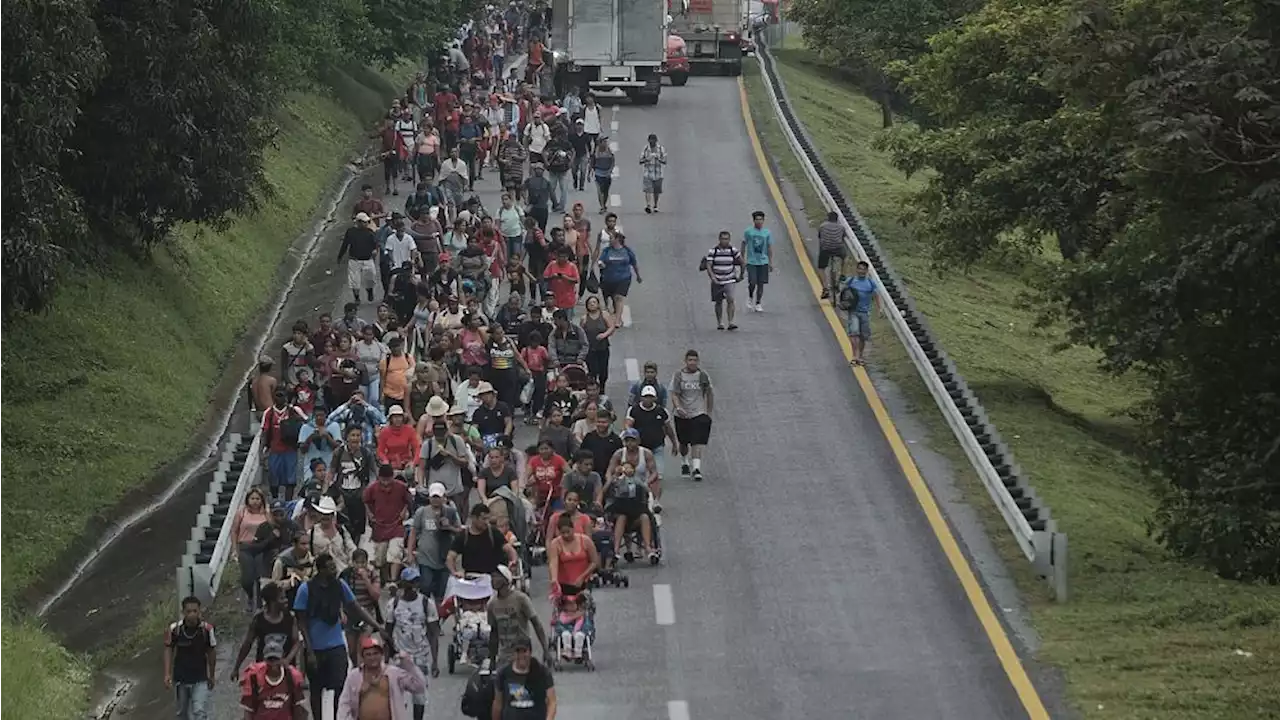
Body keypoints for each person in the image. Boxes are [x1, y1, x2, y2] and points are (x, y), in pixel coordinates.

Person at [294, 553, 386, 720]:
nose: (335, 570)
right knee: (316, 690)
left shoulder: (339, 585)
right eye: (330, 568)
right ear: (321, 570)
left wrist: (377, 625)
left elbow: (356, 608)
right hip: (315, 648)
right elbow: (301, 621)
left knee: (340, 689)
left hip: (336, 646)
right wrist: (309, 650)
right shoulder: (306, 589)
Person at [388, 567, 442, 718]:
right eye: (409, 582)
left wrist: (435, 661)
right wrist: (385, 660)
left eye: (415, 581)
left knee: (419, 697)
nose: (413, 585)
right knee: (399, 697)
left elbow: (433, 634)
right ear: (403, 584)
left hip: (421, 657)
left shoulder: (427, 603)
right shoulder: (394, 604)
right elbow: (387, 632)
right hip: (400, 656)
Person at [335, 636, 427, 720]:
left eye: (375, 653)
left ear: (381, 654)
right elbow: (344, 704)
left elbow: (420, 687)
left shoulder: (394, 673)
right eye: (368, 654)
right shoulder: (354, 676)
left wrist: (408, 664)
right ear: (362, 657)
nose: (372, 657)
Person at [408, 482, 464, 602]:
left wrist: (449, 527)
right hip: (425, 558)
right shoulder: (421, 512)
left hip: (444, 558)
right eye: (433, 497)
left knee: (441, 590)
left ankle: (438, 616)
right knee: (426, 586)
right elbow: (414, 532)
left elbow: (460, 531)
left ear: (444, 497)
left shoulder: (451, 512)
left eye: (438, 497)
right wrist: (410, 553)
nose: (435, 500)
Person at [624, 384, 677, 509]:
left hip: (656, 447)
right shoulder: (634, 410)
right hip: (640, 448)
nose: (648, 399)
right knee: (636, 474)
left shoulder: (661, 411)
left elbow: (668, 428)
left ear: (654, 398)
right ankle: (638, 498)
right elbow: (628, 425)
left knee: (657, 475)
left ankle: (656, 501)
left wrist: (674, 443)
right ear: (641, 398)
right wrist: (630, 438)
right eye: (645, 397)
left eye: (650, 397)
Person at [164, 596, 217, 720]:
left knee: (199, 711)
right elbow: (168, 649)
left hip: (200, 678)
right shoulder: (175, 629)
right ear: (183, 612)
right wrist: (167, 674)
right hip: (181, 679)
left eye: (195, 611)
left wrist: (212, 675)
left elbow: (211, 652)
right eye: (188, 611)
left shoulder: (207, 630)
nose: (192, 615)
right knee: (182, 713)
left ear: (200, 611)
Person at [486, 566, 551, 667]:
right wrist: (492, 659)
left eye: (496, 577)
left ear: (506, 579)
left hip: (522, 652)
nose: (493, 580)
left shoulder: (521, 599)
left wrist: (546, 650)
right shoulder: (492, 604)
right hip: (504, 655)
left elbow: (537, 624)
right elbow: (494, 634)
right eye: (492, 577)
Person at [364, 463, 414, 581]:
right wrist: (369, 514)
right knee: (380, 558)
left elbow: (408, 500)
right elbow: (366, 501)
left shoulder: (401, 487)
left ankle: (393, 580)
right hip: (379, 527)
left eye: (388, 480)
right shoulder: (372, 488)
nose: (386, 483)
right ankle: (383, 579)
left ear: (393, 477)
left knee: (395, 554)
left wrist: (404, 511)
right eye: (383, 480)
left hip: (396, 526)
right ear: (379, 478)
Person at [237, 635, 306, 720]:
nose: (273, 663)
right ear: (264, 659)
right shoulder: (253, 677)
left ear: (282, 657)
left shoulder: (292, 676)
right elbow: (248, 710)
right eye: (270, 659)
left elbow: (297, 708)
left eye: (276, 659)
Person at [670, 350, 714, 481]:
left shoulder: (703, 376)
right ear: (686, 361)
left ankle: (696, 468)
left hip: (698, 413)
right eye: (690, 360)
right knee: (683, 443)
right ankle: (684, 462)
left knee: (697, 441)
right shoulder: (679, 376)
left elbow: (709, 393)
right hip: (682, 415)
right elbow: (674, 394)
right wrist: (678, 407)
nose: (692, 363)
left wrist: (708, 412)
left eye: (695, 360)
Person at [490, 634, 557, 720]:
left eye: (524, 651)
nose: (521, 655)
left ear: (530, 652)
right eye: (518, 651)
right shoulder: (503, 673)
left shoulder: (542, 672)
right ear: (513, 653)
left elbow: (552, 701)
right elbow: (498, 704)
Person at [603, 458, 656, 561]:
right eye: (625, 467)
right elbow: (606, 490)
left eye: (629, 468)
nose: (627, 470)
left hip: (635, 513)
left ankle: (648, 548)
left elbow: (647, 490)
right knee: (622, 517)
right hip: (619, 514)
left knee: (645, 516)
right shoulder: (617, 480)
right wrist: (615, 476)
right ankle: (616, 549)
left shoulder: (637, 480)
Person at [448, 503, 519, 576]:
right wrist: (454, 572)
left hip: (491, 577)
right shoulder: (463, 536)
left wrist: (513, 560)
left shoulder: (493, 533)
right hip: (471, 578)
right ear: (474, 518)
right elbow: (450, 557)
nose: (486, 522)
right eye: (483, 519)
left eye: (488, 518)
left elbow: (509, 549)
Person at [261, 390, 306, 501]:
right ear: (273, 397)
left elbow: (307, 422)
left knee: (290, 479)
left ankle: (288, 502)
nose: (280, 398)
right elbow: (264, 431)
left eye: (282, 395)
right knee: (273, 476)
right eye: (277, 395)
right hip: (275, 450)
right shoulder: (269, 412)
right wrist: (262, 449)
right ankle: (275, 500)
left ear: (286, 397)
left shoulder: (294, 410)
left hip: (290, 450)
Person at [840, 259, 882, 367]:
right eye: (859, 269)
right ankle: (855, 356)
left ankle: (860, 356)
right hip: (853, 311)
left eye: (864, 269)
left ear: (867, 271)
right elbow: (843, 292)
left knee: (863, 336)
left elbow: (876, 295)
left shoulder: (870, 283)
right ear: (856, 269)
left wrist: (879, 308)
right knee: (854, 333)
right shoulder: (851, 281)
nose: (861, 271)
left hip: (865, 312)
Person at [546, 513, 600, 596]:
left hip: (584, 582)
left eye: (568, 532)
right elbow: (553, 563)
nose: (566, 535)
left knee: (582, 604)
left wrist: (582, 577)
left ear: (573, 528)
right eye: (562, 533)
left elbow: (594, 562)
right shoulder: (555, 544)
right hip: (564, 584)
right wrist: (554, 580)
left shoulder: (585, 540)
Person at [592, 228, 639, 322]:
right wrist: (601, 264)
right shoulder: (607, 251)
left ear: (617, 240)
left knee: (619, 297)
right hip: (608, 278)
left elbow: (634, 263)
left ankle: (617, 319)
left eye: (611, 238)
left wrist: (638, 275)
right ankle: (611, 312)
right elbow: (601, 260)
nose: (610, 240)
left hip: (623, 278)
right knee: (611, 298)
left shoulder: (627, 251)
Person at [702, 230, 745, 331]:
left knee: (730, 299)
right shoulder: (713, 251)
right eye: (723, 239)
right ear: (719, 239)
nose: (725, 241)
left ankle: (731, 322)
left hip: (729, 279)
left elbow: (742, 262)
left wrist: (740, 275)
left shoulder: (733, 250)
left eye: (727, 239)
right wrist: (712, 277)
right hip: (717, 280)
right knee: (718, 301)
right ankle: (720, 322)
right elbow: (709, 265)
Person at [339, 212, 380, 303]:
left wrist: (375, 250)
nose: (366, 224)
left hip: (367, 259)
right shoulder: (350, 232)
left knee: (370, 279)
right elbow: (345, 244)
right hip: (354, 260)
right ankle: (356, 297)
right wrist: (340, 256)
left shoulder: (370, 232)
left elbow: (376, 243)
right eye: (364, 222)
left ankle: (370, 291)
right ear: (358, 222)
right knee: (354, 281)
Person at [742, 210, 774, 312]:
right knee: (752, 282)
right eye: (757, 220)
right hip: (751, 261)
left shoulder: (767, 232)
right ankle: (750, 297)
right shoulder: (748, 232)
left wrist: (770, 262)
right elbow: (744, 244)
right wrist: (742, 258)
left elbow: (769, 247)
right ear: (754, 220)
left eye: (760, 219)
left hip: (763, 261)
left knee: (761, 283)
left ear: (763, 220)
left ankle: (758, 303)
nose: (759, 222)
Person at [816, 210, 848, 300]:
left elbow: (820, 237)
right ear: (837, 219)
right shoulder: (841, 227)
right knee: (845, 257)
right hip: (838, 249)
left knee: (821, 268)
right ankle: (843, 274)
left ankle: (825, 288)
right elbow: (843, 238)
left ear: (828, 218)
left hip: (825, 249)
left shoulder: (822, 226)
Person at [552, 593, 590, 661]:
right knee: (565, 634)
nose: (571, 606)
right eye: (568, 604)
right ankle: (567, 652)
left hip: (578, 632)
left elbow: (586, 625)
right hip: (566, 632)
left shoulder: (580, 614)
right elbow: (559, 625)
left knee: (580, 635)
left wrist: (583, 631)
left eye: (573, 604)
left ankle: (578, 654)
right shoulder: (563, 615)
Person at [639, 133, 667, 214]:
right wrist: (647, 159)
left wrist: (658, 158)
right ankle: (648, 205)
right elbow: (640, 161)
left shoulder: (661, 149)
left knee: (656, 191)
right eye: (650, 140)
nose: (652, 142)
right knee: (647, 190)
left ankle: (655, 205)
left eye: (653, 140)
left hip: (658, 173)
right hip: (648, 172)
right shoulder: (645, 149)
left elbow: (665, 161)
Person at [591, 136, 615, 215]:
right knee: (600, 191)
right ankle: (602, 206)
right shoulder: (596, 151)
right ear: (600, 142)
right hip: (598, 172)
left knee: (605, 191)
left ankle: (604, 204)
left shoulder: (609, 151)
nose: (605, 143)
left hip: (607, 173)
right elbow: (592, 162)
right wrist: (589, 172)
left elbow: (612, 161)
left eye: (605, 141)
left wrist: (610, 170)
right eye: (603, 141)